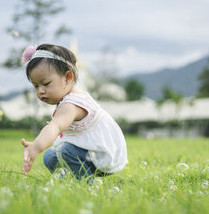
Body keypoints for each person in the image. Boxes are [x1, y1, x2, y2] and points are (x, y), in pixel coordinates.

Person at [20, 44, 128, 181]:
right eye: (36, 86)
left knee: (66, 151)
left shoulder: (72, 103)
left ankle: (88, 184)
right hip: (86, 149)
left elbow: (55, 126)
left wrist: (36, 146)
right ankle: (68, 179)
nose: (40, 90)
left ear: (68, 78)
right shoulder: (65, 100)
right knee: (49, 156)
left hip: (101, 154)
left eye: (46, 84)